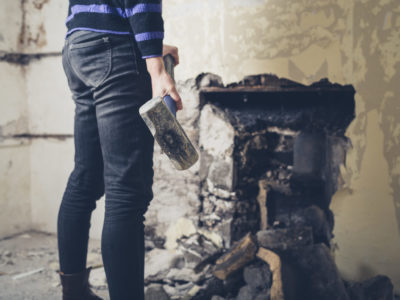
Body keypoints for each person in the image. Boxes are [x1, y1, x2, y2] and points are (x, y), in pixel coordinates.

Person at [57, 1, 181, 299]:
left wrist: (146, 43)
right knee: (126, 190)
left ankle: (74, 294)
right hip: (113, 50)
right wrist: (155, 65)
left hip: (79, 45)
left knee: (86, 177)